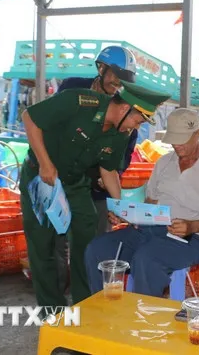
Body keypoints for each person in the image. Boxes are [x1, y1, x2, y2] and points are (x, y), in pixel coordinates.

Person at [20, 80, 170, 309]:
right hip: (41, 180)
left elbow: (108, 170)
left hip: (74, 183)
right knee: (42, 246)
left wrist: (119, 206)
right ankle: (52, 311)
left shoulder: (121, 133)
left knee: (87, 237)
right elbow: (30, 118)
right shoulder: (78, 102)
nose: (136, 127)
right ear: (124, 108)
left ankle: (85, 304)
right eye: (138, 120)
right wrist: (45, 163)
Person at [85, 108, 199, 297]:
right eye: (173, 139)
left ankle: (144, 313)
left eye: (182, 139)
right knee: (97, 249)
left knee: (146, 259)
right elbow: (149, 203)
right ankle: (103, 309)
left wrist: (193, 226)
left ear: (197, 134)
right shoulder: (164, 163)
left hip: (190, 239)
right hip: (150, 230)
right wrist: (128, 215)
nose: (177, 145)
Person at [53, 46, 140, 297]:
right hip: (62, 181)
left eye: (123, 79)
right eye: (114, 74)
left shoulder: (124, 111)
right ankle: (57, 295)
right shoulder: (72, 88)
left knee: (96, 246)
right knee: (57, 241)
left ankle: (91, 299)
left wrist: (112, 182)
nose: (117, 83)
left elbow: (121, 159)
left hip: (98, 190)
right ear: (101, 68)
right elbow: (52, 127)